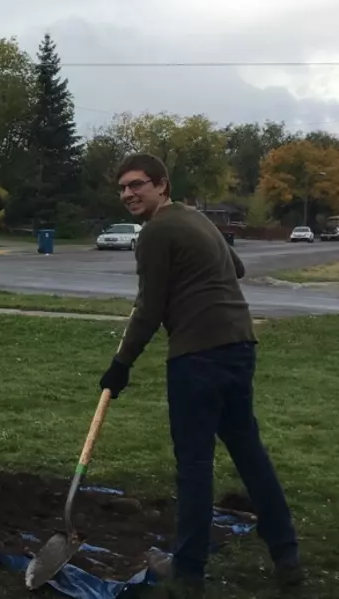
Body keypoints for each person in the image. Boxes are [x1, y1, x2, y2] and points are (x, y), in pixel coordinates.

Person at [98, 153, 301, 595]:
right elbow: (239, 268)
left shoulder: (155, 232)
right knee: (249, 449)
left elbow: (148, 308)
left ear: (162, 185)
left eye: (138, 184)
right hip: (240, 345)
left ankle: (188, 572)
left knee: (194, 465)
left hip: (198, 356)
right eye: (123, 187)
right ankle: (286, 553)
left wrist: (121, 364)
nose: (129, 194)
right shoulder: (197, 218)